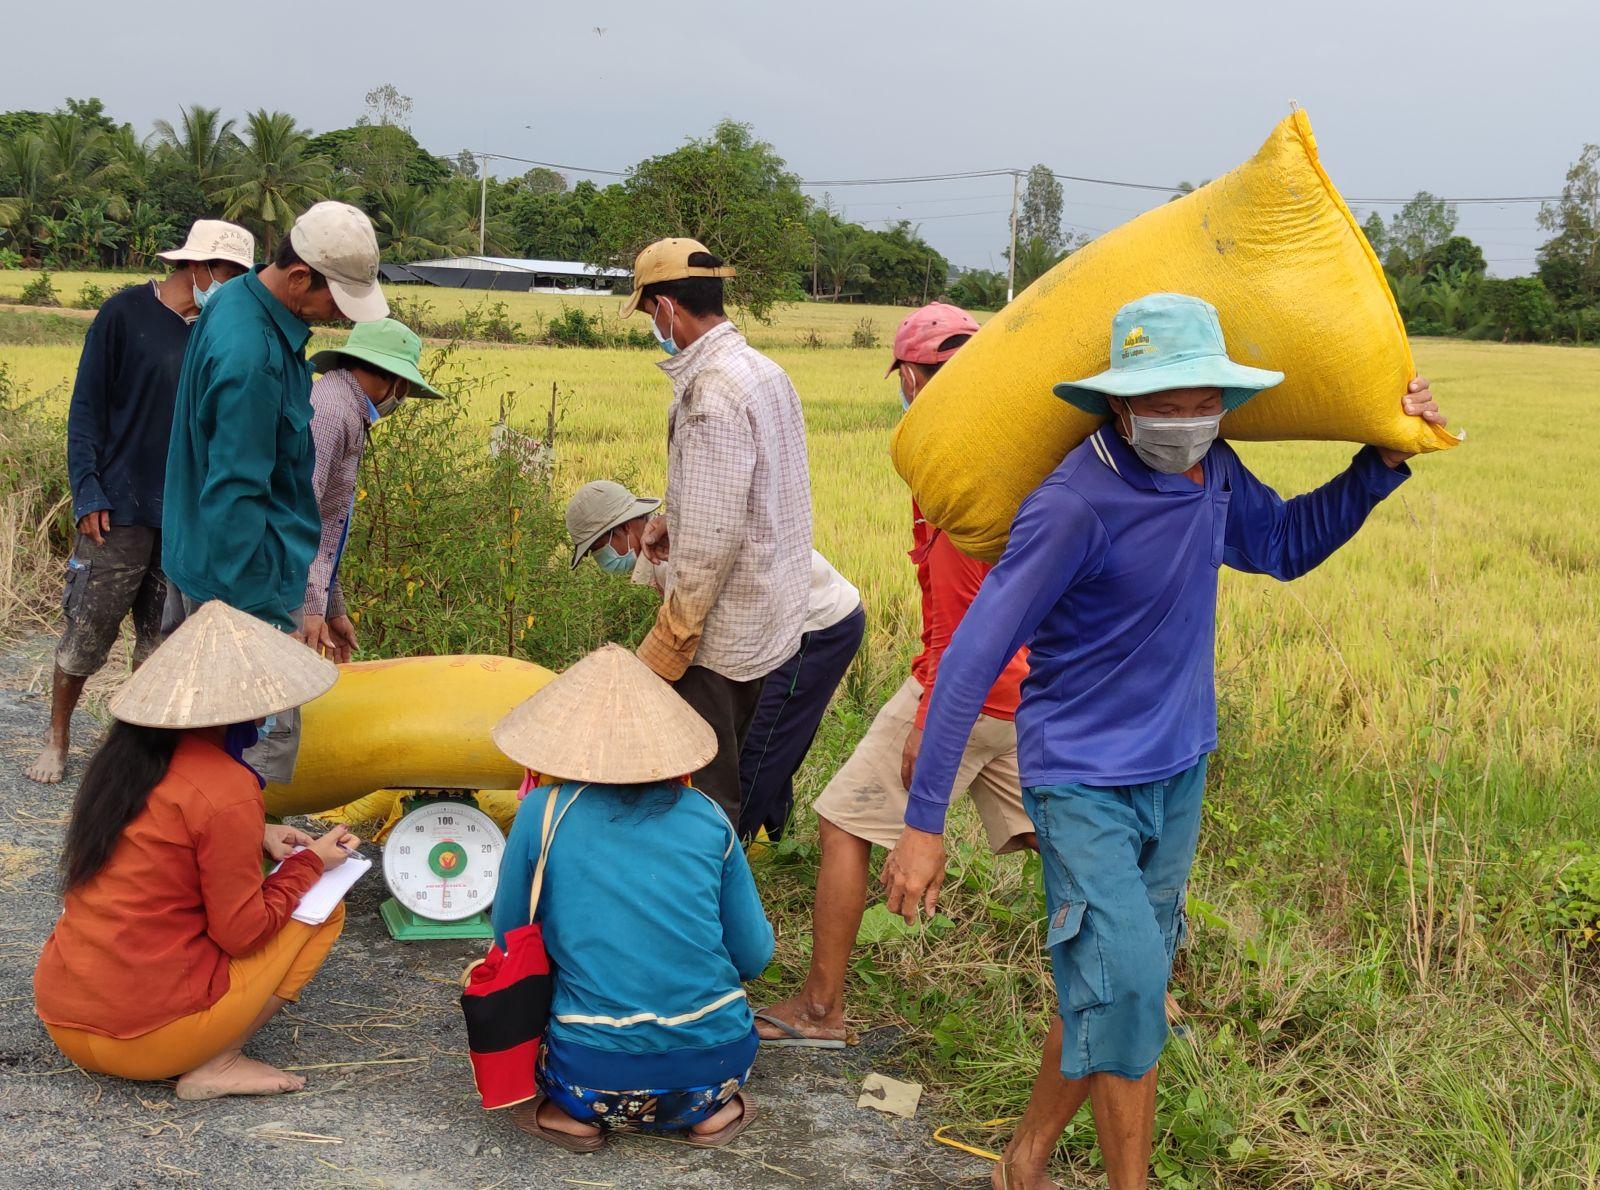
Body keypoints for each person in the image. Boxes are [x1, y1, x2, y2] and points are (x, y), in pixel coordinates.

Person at [882, 293, 1449, 1189]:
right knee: (1135, 989)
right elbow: (970, 662)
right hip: (1083, 783)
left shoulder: (1213, 472)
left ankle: (1022, 1162)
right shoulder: (1074, 503)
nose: (1189, 421)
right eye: (1166, 403)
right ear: (1119, 404)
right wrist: (923, 825)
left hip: (1179, 770)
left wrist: (1380, 463)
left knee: (1113, 984)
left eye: (1205, 401)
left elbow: (1284, 545)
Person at [755, 302, 1036, 1048]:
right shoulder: (1022, 445)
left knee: (844, 818)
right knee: (1066, 839)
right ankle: (1150, 988)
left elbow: (956, 614)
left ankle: (820, 1008)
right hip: (1035, 686)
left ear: (910, 375)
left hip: (966, 686)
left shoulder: (944, 465)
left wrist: (929, 718)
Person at [33, 600, 359, 1100]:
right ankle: (219, 1062)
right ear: (244, 709)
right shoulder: (227, 786)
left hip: (64, 1021)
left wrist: (259, 834)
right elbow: (242, 934)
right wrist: (311, 863)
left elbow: (164, 843)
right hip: (149, 1042)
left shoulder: (120, 764)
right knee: (326, 906)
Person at [489, 643, 773, 1151]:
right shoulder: (709, 815)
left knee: (559, 1041)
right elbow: (754, 954)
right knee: (708, 1075)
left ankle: (572, 1116)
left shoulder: (543, 813)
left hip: (589, 1076)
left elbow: (509, 935)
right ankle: (709, 1113)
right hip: (719, 1065)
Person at [162, 200, 388, 783]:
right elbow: (238, 493)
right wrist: (265, 618)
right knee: (245, 749)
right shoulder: (255, 356)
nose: (341, 315)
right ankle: (238, 858)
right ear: (298, 277)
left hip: (205, 560)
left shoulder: (238, 302)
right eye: (336, 299)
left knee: (196, 735)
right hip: (241, 581)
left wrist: (324, 600)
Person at [25, 220, 255, 784]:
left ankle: (128, 757)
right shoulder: (123, 315)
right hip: (117, 506)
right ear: (197, 267)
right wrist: (88, 490)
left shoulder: (216, 333)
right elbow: (86, 411)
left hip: (181, 515)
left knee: (158, 643)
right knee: (89, 630)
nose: (230, 287)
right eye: (227, 274)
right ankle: (57, 737)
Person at [620, 238, 813, 825]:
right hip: (769, 615)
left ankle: (702, 905)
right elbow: (746, 494)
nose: (652, 325)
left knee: (702, 791)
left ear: (666, 308)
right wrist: (668, 519)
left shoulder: (711, 394)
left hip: (719, 636)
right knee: (727, 762)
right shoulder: (763, 372)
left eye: (648, 313)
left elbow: (710, 544)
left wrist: (673, 636)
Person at [566, 480, 865, 842]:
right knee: (764, 732)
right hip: (770, 628)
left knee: (758, 745)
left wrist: (642, 689)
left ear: (625, 527)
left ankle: (727, 852)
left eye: (599, 547)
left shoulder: (672, 551)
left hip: (816, 626)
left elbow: (687, 633)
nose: (601, 560)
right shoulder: (663, 544)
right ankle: (780, 843)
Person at [302, 318, 443, 662]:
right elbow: (300, 513)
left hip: (302, 590)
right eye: (406, 387)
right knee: (280, 708)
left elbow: (328, 527)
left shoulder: (346, 407)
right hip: (289, 591)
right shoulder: (332, 412)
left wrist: (332, 606)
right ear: (395, 381)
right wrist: (307, 604)